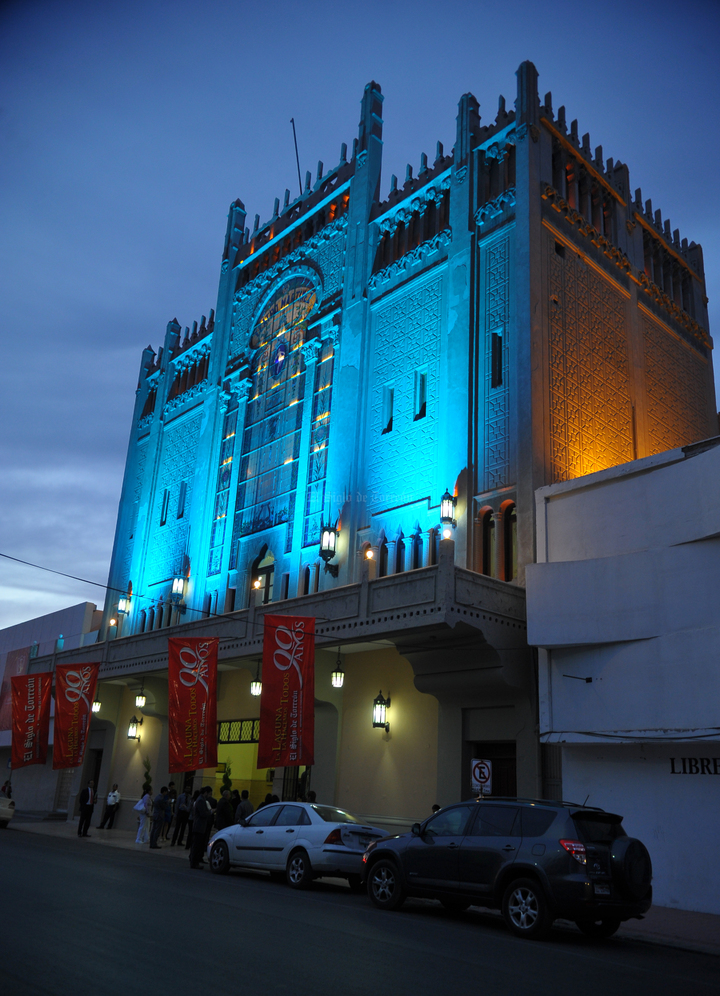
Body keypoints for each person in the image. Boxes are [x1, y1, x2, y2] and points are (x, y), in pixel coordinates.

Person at [189, 787, 213, 869]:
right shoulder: (201, 800)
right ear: (205, 792)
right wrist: (210, 812)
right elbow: (203, 813)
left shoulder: (201, 800)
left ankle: (195, 861)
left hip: (200, 825)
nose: (209, 796)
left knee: (197, 845)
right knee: (196, 845)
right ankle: (194, 862)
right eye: (209, 793)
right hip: (199, 826)